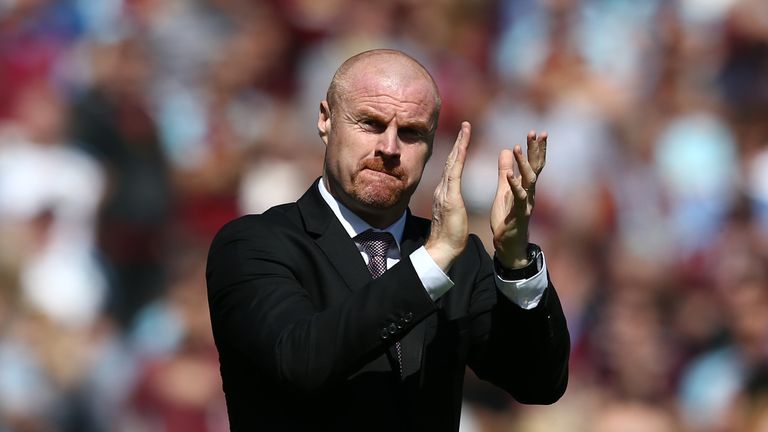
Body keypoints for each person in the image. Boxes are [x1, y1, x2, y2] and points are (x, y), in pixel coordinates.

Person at [206, 49, 569, 431]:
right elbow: (300, 362)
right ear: (326, 120)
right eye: (371, 124)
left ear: (433, 145)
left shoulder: (460, 259)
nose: (390, 149)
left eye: (411, 132)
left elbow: (539, 382)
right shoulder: (255, 244)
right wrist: (430, 264)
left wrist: (515, 262)